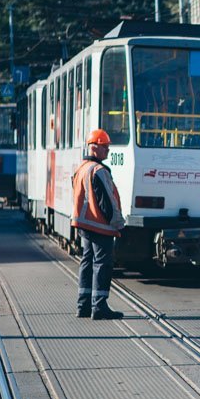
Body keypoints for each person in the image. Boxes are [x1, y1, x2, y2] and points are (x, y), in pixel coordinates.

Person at [72, 129, 126, 320]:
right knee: (103, 264)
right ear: (94, 147)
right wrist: (118, 223)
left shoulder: (81, 168)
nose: (108, 151)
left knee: (87, 262)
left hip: (85, 224)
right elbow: (107, 202)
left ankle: (83, 305)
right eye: (105, 147)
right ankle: (99, 306)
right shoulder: (99, 171)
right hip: (100, 226)